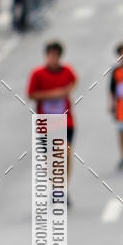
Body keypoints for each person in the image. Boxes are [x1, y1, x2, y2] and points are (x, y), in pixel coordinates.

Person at [27, 42, 78, 202]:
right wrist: (54, 94)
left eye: (56, 56)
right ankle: (56, 187)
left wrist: (67, 91)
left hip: (66, 121)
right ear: (46, 56)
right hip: (46, 122)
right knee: (51, 157)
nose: (53, 59)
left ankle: (64, 188)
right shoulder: (38, 74)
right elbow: (31, 95)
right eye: (50, 56)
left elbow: (74, 81)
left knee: (66, 153)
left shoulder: (67, 71)